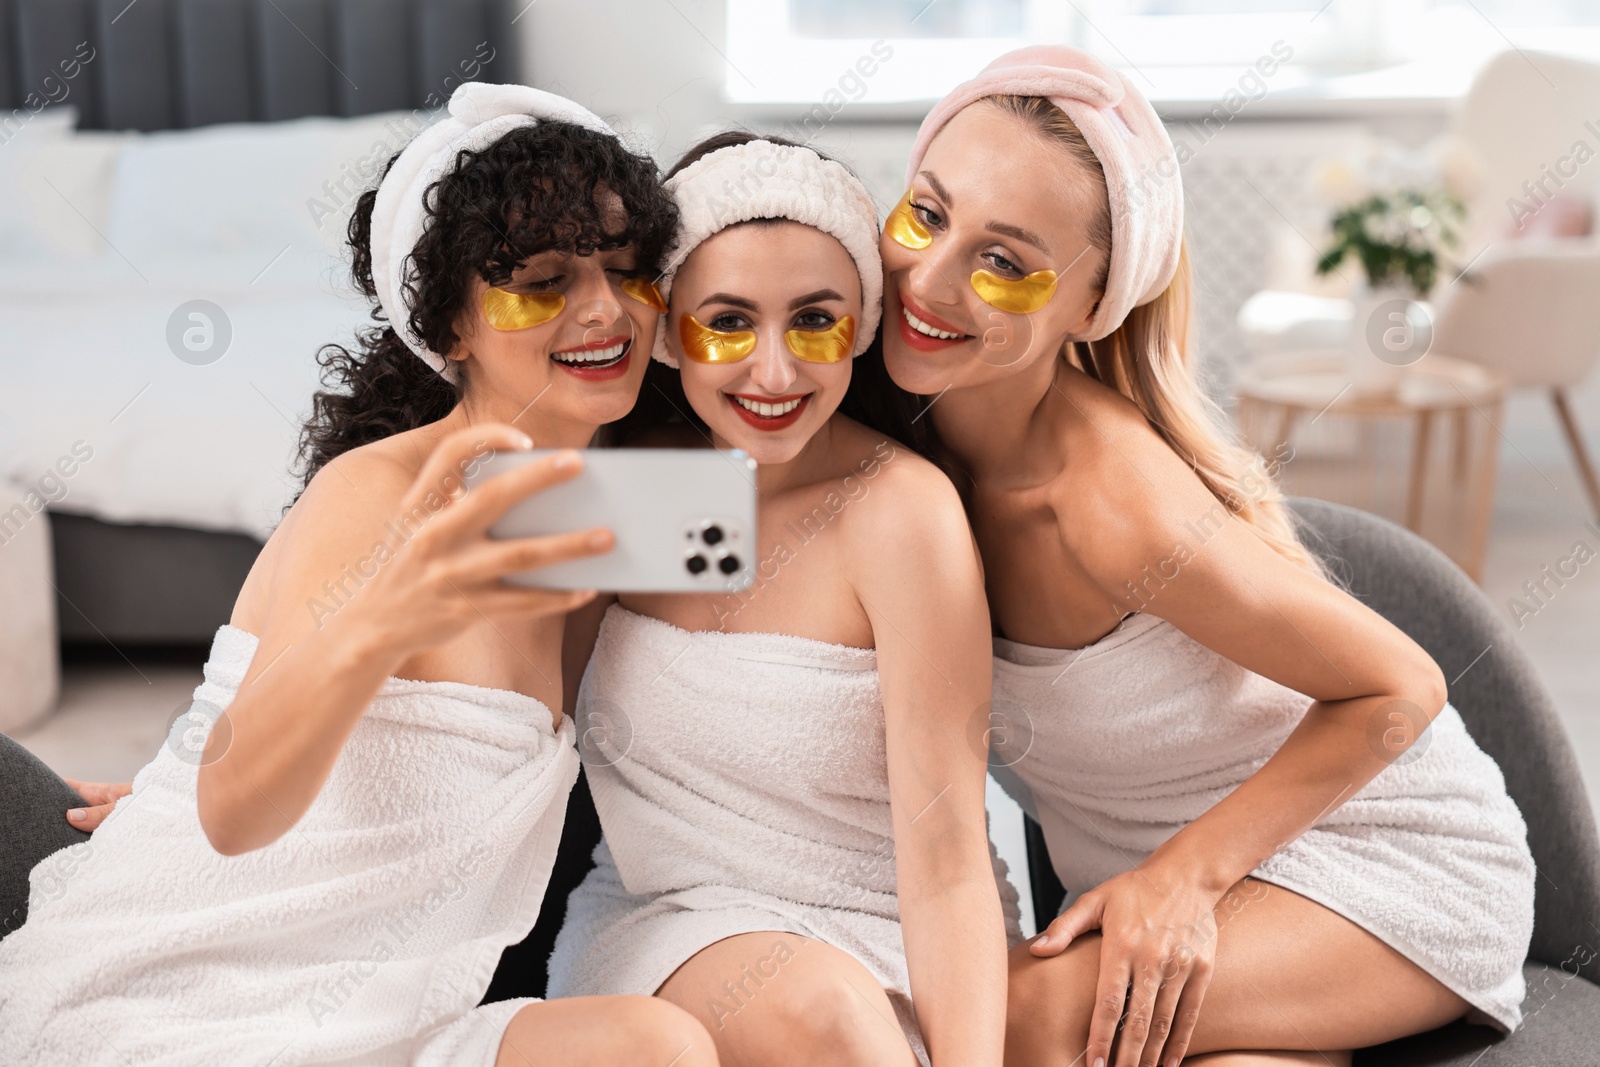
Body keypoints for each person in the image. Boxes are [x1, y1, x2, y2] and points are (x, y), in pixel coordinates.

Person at [0, 83, 717, 1067]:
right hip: (202, 994)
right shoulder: (371, 497)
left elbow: (820, 490)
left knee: (655, 1044)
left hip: (402, 1015)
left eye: (629, 270)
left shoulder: (607, 515)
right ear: (449, 324)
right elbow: (235, 806)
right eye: (541, 280)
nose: (603, 309)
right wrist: (377, 622)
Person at [877, 46, 1536, 1067]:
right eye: (926, 214)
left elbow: (1400, 687)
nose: (928, 276)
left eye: (1004, 261)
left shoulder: (1110, 501)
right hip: (1193, 895)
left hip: (1387, 861)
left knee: (999, 1019)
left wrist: (1182, 877)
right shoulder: (896, 427)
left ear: (1092, 303)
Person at [546, 133, 1012, 1067]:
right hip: (679, 926)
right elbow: (514, 726)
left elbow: (950, 856)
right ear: (671, 331)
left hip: (903, 928)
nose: (773, 372)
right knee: (831, 1018)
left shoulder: (900, 514)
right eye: (728, 322)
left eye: (814, 322)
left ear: (864, 325)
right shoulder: (646, 490)